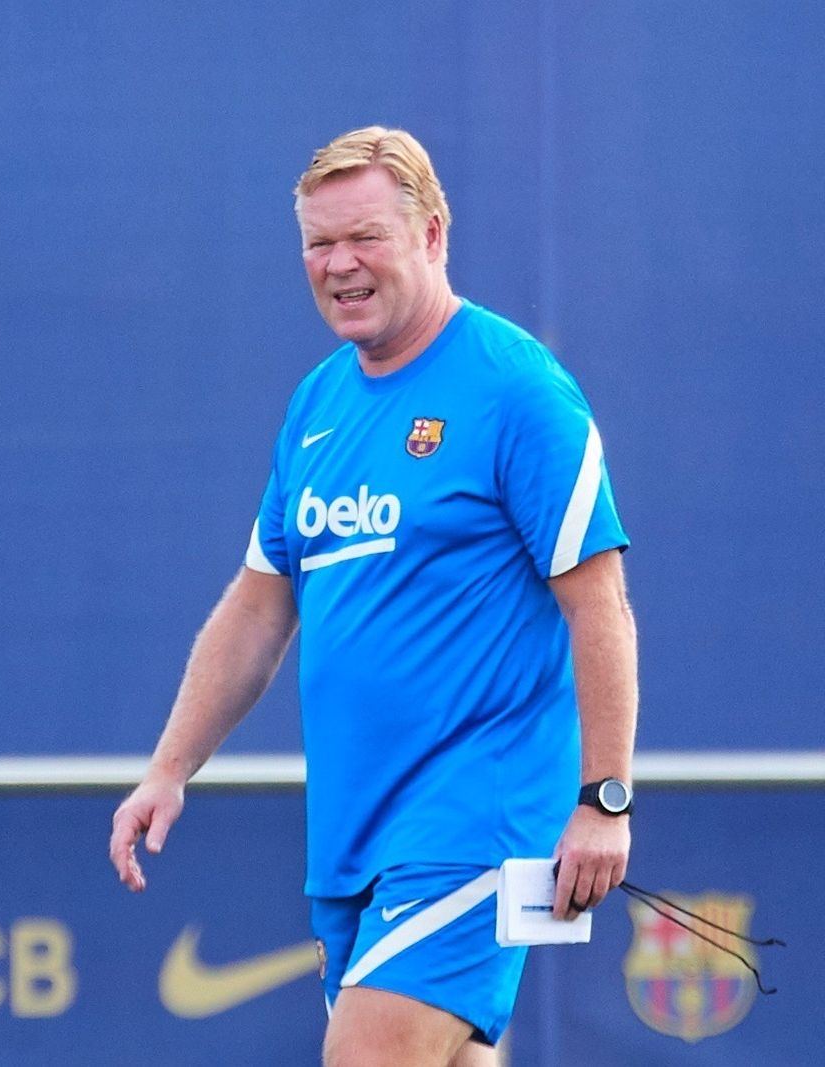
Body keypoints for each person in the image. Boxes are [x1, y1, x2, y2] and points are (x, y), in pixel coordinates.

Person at [108, 127, 637, 1067]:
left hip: (477, 812)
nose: (340, 265)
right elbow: (259, 604)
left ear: (433, 235)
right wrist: (169, 766)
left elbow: (600, 604)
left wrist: (604, 798)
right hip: (353, 828)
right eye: (319, 242)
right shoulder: (318, 403)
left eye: (366, 238)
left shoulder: (517, 389)